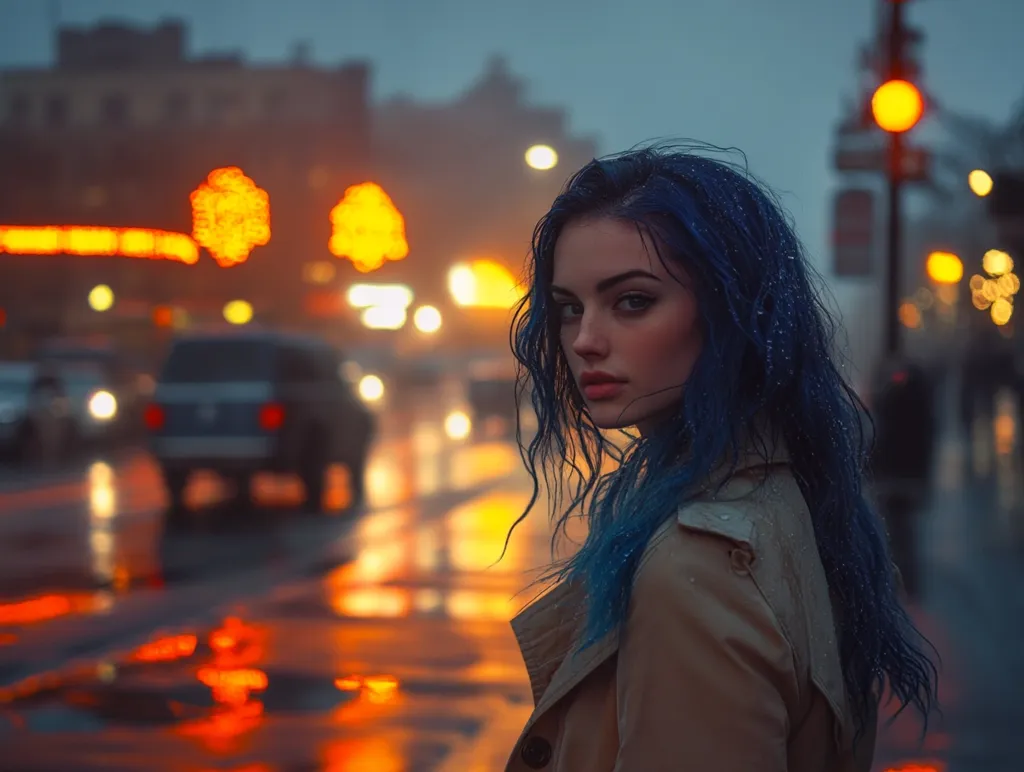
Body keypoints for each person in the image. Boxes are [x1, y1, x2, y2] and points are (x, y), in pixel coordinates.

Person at [503, 144, 938, 771]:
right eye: (570, 307)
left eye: (632, 301)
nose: (585, 340)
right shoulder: (795, 493)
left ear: (732, 310)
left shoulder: (697, 570)